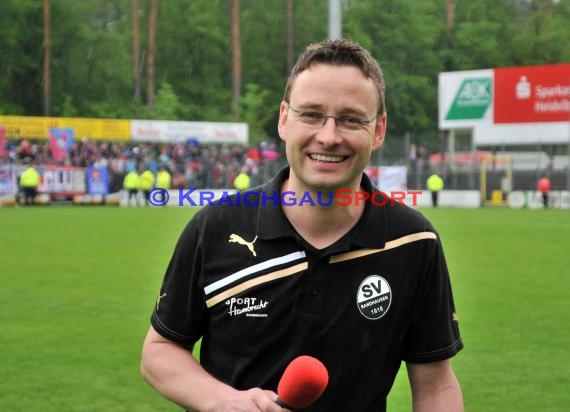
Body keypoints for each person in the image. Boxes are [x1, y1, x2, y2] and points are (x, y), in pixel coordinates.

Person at [141, 39, 464, 411]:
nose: (328, 136)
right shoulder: (214, 227)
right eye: (311, 114)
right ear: (283, 119)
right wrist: (222, 400)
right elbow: (160, 350)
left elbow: (436, 385)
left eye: (351, 119)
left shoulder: (413, 242)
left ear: (378, 130)